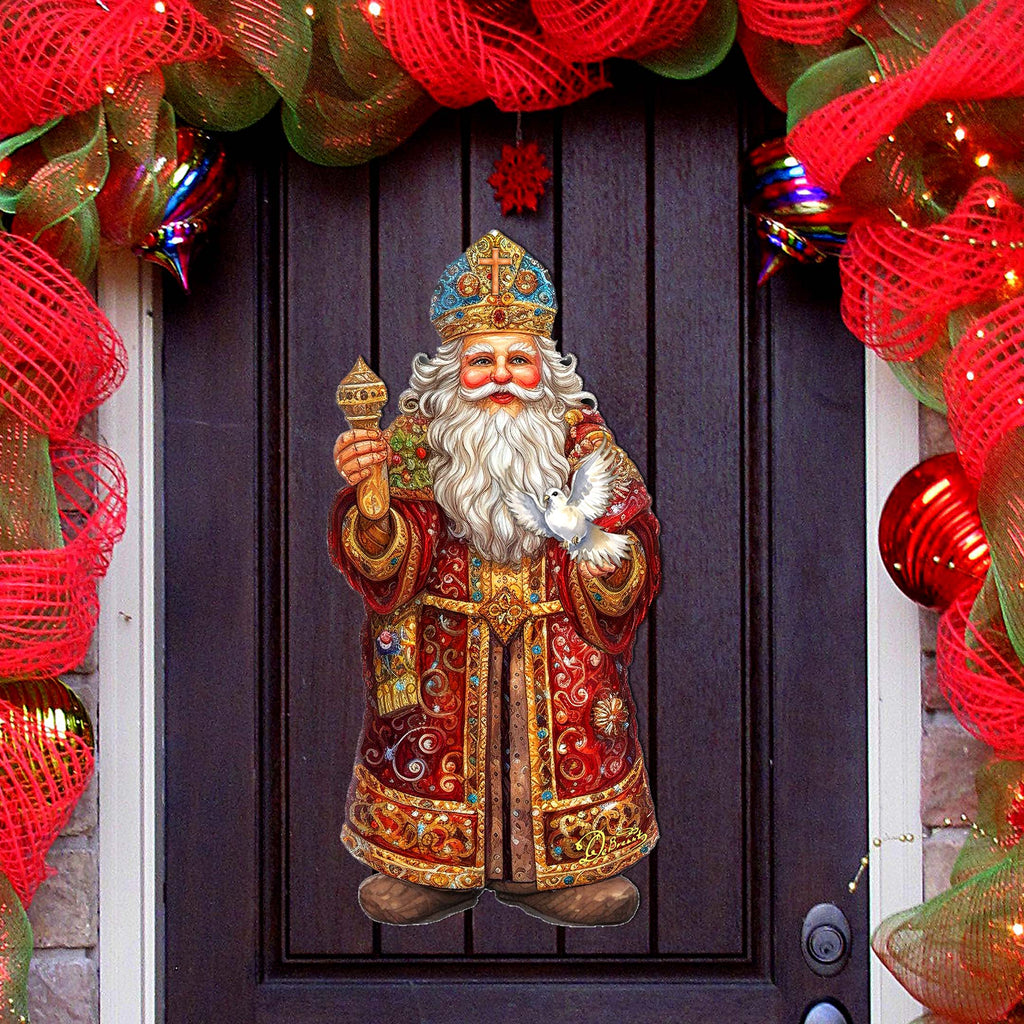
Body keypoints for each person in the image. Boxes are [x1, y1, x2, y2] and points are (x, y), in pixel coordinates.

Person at [329, 230, 660, 928]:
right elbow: (383, 565)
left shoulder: (581, 439)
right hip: (442, 650)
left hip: (556, 649)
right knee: (434, 743)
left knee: (565, 742)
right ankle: (435, 869)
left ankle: (563, 873)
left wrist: (615, 560)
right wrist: (372, 495)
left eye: (519, 360)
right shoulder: (417, 438)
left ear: (547, 367)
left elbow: (631, 535)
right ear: (452, 369)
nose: (503, 376)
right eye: (482, 362)